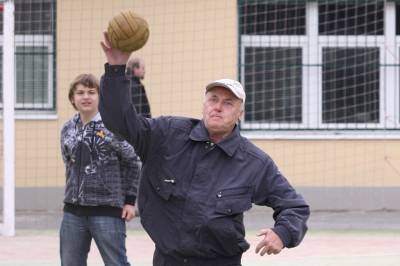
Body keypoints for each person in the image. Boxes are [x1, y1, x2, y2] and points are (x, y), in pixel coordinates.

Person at [99, 33, 310, 266]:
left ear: (240, 114)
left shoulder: (254, 162)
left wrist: (283, 232)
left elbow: (294, 206)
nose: (218, 107)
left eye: (228, 103)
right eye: (213, 99)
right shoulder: (167, 134)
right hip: (167, 260)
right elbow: (120, 121)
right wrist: (116, 70)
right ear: (204, 103)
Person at [60, 73, 140, 266]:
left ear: (100, 97)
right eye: (80, 93)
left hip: (108, 210)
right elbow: (69, 165)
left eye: (91, 92)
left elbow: (133, 161)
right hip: (73, 213)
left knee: (116, 263)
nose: (85, 96)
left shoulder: (113, 127)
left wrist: (130, 201)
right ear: (73, 98)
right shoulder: (67, 128)